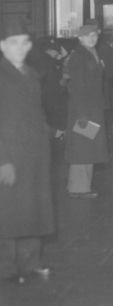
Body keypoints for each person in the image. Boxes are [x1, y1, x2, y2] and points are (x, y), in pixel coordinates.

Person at [0, 17, 54, 283]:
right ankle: (6, 268)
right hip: (9, 155)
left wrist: (45, 135)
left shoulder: (32, 74)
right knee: (8, 211)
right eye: (14, 43)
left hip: (34, 153)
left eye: (25, 43)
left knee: (33, 208)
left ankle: (31, 263)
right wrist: (3, 161)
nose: (20, 48)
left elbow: (37, 111)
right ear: (2, 46)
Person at [62, 20, 109, 198]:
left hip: (91, 109)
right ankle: (79, 188)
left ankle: (80, 185)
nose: (92, 38)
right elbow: (77, 87)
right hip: (83, 111)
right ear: (80, 38)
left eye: (94, 35)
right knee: (82, 147)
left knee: (87, 146)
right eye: (87, 36)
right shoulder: (79, 56)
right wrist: (82, 115)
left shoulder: (91, 53)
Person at [27, 36, 68, 138]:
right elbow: (54, 90)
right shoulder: (49, 64)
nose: (57, 54)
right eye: (55, 51)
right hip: (53, 108)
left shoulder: (38, 62)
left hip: (46, 108)